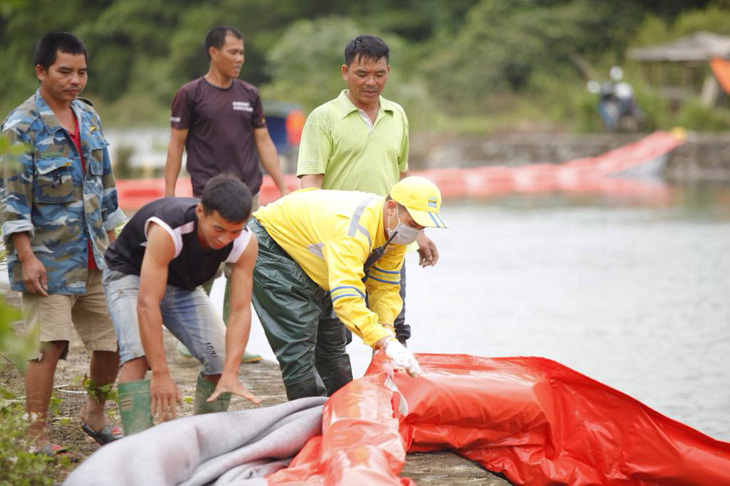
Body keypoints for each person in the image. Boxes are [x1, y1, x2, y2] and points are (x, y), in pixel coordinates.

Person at [0, 32, 126, 454]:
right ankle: (36, 437)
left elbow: (105, 187)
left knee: (114, 339)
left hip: (96, 254)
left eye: (82, 72)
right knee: (46, 348)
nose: (75, 80)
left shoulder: (88, 118)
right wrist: (26, 256)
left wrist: (117, 247)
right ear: (41, 71)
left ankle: (95, 414)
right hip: (47, 260)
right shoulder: (21, 127)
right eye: (65, 71)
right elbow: (12, 200)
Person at [297, 34, 439, 352]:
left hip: (388, 237)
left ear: (388, 71)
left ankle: (395, 396)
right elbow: (310, 185)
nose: (371, 82)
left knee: (396, 323)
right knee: (336, 331)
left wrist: (418, 233)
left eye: (379, 74)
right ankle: (332, 399)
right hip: (340, 240)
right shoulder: (324, 118)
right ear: (345, 72)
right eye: (362, 74)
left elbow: (405, 180)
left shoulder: (396, 115)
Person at [250, 176, 448, 400]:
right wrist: (383, 341)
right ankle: (307, 420)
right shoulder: (352, 229)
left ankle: (343, 412)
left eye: (422, 227)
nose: (415, 232)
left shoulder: (395, 233)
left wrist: (387, 333)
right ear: (391, 208)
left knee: (332, 344)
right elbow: (347, 299)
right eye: (413, 224)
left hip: (315, 258)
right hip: (272, 247)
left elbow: (385, 288)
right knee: (299, 346)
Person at [164, 25, 288, 362]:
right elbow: (176, 146)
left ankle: (229, 342)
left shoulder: (249, 94)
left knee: (241, 270)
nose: (239, 59)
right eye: (233, 52)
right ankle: (189, 336)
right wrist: (169, 195)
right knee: (202, 268)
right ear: (213, 53)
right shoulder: (190, 94)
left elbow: (264, 142)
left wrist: (284, 186)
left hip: (248, 196)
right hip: (207, 198)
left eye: (242, 53)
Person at [103, 175, 261, 435]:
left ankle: (204, 439)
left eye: (234, 231)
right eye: (218, 229)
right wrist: (161, 373)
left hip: (181, 287)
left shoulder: (245, 242)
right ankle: (140, 443)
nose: (224, 239)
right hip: (130, 276)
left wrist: (231, 372)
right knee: (138, 357)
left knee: (221, 361)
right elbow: (147, 303)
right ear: (201, 212)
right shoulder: (168, 229)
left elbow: (240, 309)